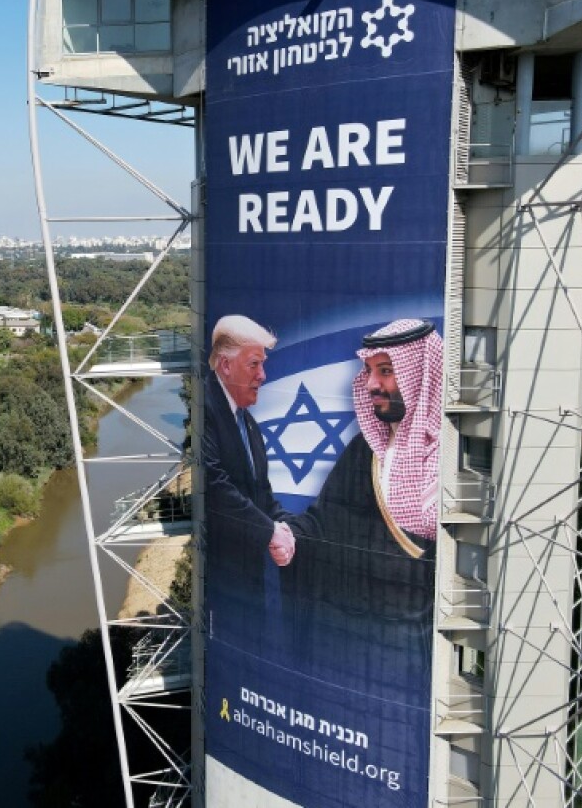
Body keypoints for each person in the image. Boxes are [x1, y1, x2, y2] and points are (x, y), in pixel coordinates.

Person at [275, 318, 443, 807]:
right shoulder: (364, 452)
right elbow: (326, 525)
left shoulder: (458, 458)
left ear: (420, 374)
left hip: (411, 652)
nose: (372, 384)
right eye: (369, 371)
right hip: (347, 642)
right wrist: (291, 536)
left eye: (386, 371)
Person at [202, 314, 297, 654]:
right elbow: (213, 484)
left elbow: (262, 494)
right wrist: (269, 531)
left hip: (249, 584)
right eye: (254, 364)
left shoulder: (248, 424)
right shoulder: (206, 409)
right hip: (221, 585)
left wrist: (285, 528)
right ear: (226, 367)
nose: (263, 375)